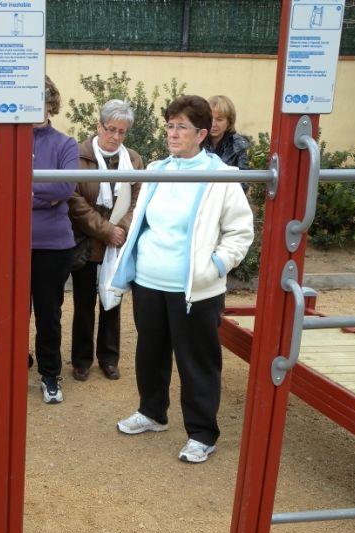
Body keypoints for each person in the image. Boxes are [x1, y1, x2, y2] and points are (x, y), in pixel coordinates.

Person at [109, 95, 254, 464]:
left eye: (182, 127)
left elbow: (240, 232)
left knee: (197, 361)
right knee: (150, 352)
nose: (173, 133)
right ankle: (152, 412)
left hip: (194, 288)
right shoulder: (158, 167)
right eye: (170, 125)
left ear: (202, 133)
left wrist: (215, 266)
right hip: (149, 281)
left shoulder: (220, 176)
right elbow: (144, 219)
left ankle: (202, 433)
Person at [68, 99, 144, 383]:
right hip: (86, 242)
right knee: (84, 303)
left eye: (122, 132)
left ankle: (109, 359)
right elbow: (73, 200)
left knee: (112, 302)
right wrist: (105, 230)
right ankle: (81, 360)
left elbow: (138, 200)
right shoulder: (77, 155)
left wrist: (120, 229)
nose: (115, 137)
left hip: (118, 244)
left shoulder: (133, 160)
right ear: (98, 126)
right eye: (111, 129)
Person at [30, 76, 79, 404]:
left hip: (53, 246)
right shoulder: (8, 142)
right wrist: (42, 196)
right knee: (13, 313)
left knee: (49, 314)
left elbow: (66, 188)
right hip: (14, 244)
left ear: (51, 103)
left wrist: (25, 192)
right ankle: (16, 366)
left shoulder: (65, 144)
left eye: (41, 99)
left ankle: (50, 374)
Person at [204, 95, 249, 170]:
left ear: (229, 121)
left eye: (219, 119)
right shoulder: (197, 142)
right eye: (210, 119)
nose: (213, 124)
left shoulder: (239, 145)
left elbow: (244, 178)